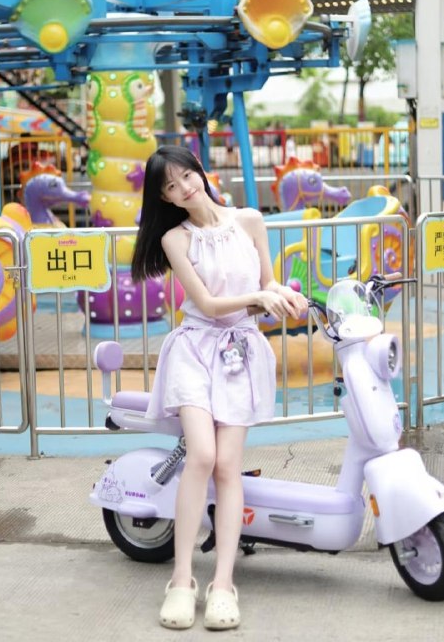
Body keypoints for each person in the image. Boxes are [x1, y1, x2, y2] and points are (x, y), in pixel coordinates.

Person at [131, 144, 308, 631]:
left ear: (199, 171)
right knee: (202, 456)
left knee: (229, 465)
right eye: (170, 186)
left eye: (186, 176)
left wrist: (285, 298)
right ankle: (181, 580)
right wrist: (260, 297)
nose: (184, 188)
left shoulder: (250, 221)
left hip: (240, 353)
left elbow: (270, 283)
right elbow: (208, 305)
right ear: (165, 198)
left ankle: (224, 584)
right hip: (194, 349)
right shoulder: (175, 239)